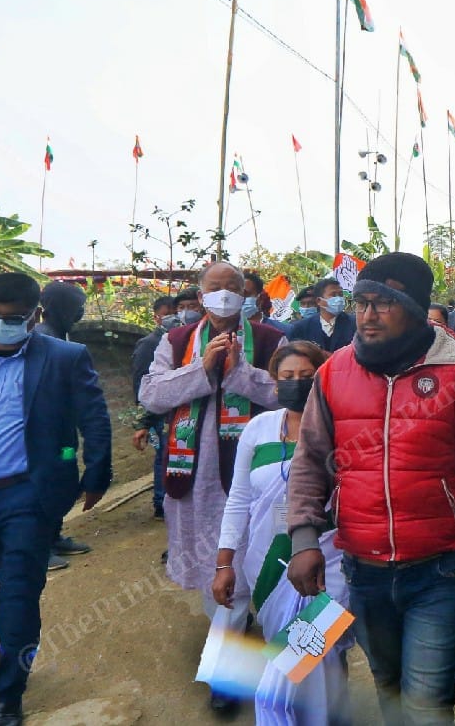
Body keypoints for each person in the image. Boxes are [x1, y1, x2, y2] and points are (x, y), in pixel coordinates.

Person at [286, 252, 455, 725]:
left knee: (429, 704)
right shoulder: (333, 374)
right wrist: (303, 538)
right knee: (389, 690)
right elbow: (310, 460)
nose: (367, 315)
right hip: (364, 569)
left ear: (413, 308)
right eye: (362, 303)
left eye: (382, 304)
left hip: (440, 571)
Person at [0, 273, 112, 726]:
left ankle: (7, 698)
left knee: (19, 604)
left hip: (27, 497)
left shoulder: (64, 358)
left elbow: (93, 417)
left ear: (35, 317)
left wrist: (96, 474)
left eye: (12, 318)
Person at [138, 261, 286, 713]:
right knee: (212, 568)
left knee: (251, 565)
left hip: (259, 471)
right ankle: (233, 638)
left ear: (247, 295)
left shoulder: (271, 340)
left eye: (233, 288)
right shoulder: (177, 340)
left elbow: (290, 393)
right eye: (214, 288)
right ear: (200, 295)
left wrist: (241, 371)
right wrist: (200, 368)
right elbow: (150, 393)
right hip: (195, 473)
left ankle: (236, 664)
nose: (224, 296)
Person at [213, 341, 351, 725]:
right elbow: (239, 498)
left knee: (311, 654)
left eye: (306, 377)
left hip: (329, 558)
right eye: (287, 377)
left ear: (322, 380)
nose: (296, 384)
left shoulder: (343, 426)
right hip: (268, 563)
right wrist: (224, 561)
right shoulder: (257, 430)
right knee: (287, 646)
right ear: (274, 384)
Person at [33, 280, 98, 568]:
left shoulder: (61, 336)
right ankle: (37, 548)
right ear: (61, 308)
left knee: (61, 482)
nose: (81, 312)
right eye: (77, 306)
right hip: (44, 436)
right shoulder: (43, 340)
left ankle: (54, 536)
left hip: (63, 436)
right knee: (43, 488)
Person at [131, 296, 180, 519]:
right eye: (167, 312)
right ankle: (160, 501)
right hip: (158, 412)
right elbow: (142, 382)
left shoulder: (182, 339)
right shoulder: (149, 343)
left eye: (175, 310)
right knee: (162, 453)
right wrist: (144, 419)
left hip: (174, 409)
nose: (174, 316)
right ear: (156, 317)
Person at [286, 278, 356, 353]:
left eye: (340, 295)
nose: (338, 299)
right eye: (333, 295)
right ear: (319, 301)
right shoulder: (300, 328)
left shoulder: (355, 324)